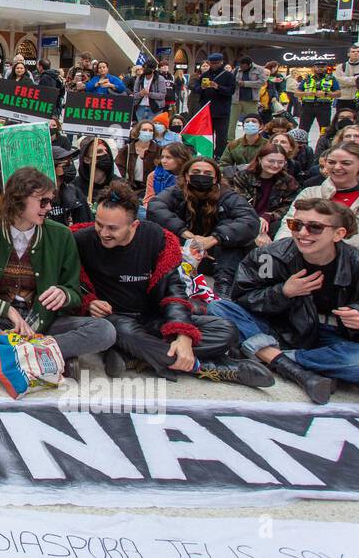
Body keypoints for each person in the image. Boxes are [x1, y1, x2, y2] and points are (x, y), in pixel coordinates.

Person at [224, 198, 359, 403]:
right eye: (296, 225)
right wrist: (283, 292)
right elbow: (242, 297)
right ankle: (287, 363)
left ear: (339, 234)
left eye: (315, 228)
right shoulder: (270, 256)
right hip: (281, 327)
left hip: (333, 337)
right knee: (220, 308)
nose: (302, 233)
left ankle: (275, 358)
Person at [75, 183, 271, 386]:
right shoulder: (82, 240)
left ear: (134, 225)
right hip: (116, 320)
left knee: (226, 330)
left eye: (112, 228)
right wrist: (88, 301)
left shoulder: (156, 238)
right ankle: (205, 367)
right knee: (121, 332)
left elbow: (174, 289)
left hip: (153, 318)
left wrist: (183, 334)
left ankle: (138, 356)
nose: (103, 233)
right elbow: (70, 281)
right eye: (99, 224)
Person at [0, 167, 115, 384]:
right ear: (18, 199)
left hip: (45, 322)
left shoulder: (61, 235)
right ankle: (48, 357)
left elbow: (75, 291)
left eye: (50, 201)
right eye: (42, 201)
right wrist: (6, 309)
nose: (49, 207)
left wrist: (64, 294)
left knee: (105, 331)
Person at [147, 157, 259, 293]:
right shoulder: (176, 192)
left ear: (215, 178)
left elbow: (249, 220)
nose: (201, 176)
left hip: (218, 255)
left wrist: (213, 239)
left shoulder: (228, 196)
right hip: (186, 248)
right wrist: (186, 234)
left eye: (207, 174)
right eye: (196, 172)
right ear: (187, 176)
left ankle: (224, 287)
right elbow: (155, 208)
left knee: (231, 228)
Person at [278, 141, 359, 265]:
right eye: (331, 162)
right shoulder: (309, 194)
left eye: (346, 163)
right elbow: (288, 229)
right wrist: (284, 260)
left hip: (355, 269)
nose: (337, 167)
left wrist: (356, 271)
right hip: (303, 264)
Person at [227, 143, 298, 247]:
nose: (275, 165)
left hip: (272, 222)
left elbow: (289, 205)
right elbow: (239, 204)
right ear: (260, 159)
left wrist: (268, 216)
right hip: (245, 218)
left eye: (280, 162)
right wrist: (257, 222)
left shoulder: (288, 180)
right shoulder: (243, 176)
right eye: (271, 161)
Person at [194, 52, 235, 156]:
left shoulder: (228, 75)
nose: (214, 65)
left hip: (221, 110)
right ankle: (206, 153)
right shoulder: (205, 75)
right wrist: (201, 88)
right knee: (206, 134)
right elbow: (196, 88)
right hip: (206, 109)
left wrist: (218, 87)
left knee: (221, 136)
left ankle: (219, 155)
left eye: (216, 63)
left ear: (221, 62)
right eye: (212, 63)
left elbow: (231, 91)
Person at [47, 144, 91, 227]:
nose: (71, 165)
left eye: (72, 162)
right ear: (52, 167)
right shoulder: (39, 198)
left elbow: (86, 225)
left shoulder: (74, 193)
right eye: (67, 163)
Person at [116, 119, 159, 195]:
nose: (148, 132)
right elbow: (119, 168)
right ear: (138, 131)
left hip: (150, 189)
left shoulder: (159, 150)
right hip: (129, 188)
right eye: (144, 130)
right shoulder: (127, 148)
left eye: (150, 130)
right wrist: (124, 185)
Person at [229, 56, 266, 139]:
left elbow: (262, 82)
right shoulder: (236, 69)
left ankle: (253, 138)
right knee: (232, 122)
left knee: (253, 121)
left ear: (249, 65)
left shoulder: (259, 69)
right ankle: (230, 140)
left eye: (244, 67)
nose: (242, 68)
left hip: (251, 100)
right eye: (241, 66)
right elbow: (230, 81)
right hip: (236, 99)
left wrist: (245, 83)